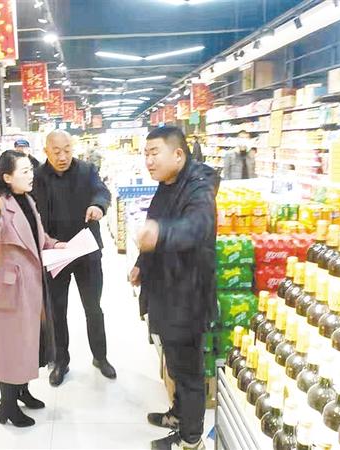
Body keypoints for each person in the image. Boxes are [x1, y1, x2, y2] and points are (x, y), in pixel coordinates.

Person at [129, 127, 218, 450]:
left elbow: (197, 228)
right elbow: (155, 224)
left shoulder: (199, 187)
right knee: (176, 364)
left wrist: (161, 235)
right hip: (167, 291)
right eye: (146, 154)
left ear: (178, 154)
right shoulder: (167, 185)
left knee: (189, 371)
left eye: (155, 153)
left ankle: (191, 439)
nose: (149, 161)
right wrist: (141, 263)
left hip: (187, 296)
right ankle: (178, 415)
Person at [0, 150, 65, 427]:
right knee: (10, 346)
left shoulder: (27, 199)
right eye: (24, 171)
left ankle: (23, 391)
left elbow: (38, 237)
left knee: (30, 341)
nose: (30, 175)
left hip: (32, 283)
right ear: (7, 177)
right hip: (12, 288)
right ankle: (7, 405)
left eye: (30, 169)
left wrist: (56, 245)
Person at [32, 129, 116, 387]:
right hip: (55, 253)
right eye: (56, 151)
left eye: (67, 150)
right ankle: (61, 361)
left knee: (93, 307)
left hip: (86, 251)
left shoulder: (87, 170)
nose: (62, 157)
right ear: (46, 151)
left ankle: (100, 357)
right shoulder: (37, 177)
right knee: (57, 311)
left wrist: (98, 206)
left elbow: (102, 192)